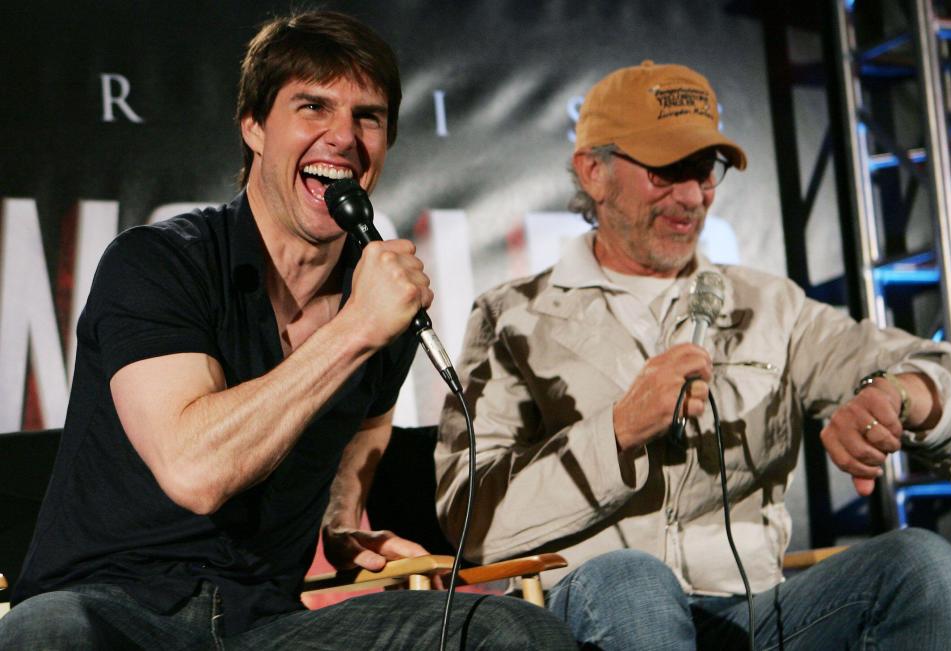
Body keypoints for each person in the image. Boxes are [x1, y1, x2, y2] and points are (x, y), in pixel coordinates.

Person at [0, 11, 576, 650]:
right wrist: (353, 328)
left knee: (508, 627)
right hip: (115, 610)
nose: (343, 138)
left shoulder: (377, 298)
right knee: (44, 631)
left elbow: (367, 423)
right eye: (313, 108)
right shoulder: (158, 263)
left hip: (266, 623)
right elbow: (195, 472)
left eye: (368, 117)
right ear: (253, 126)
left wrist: (340, 520)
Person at [434, 60, 951, 649]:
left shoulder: (768, 304)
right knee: (634, 583)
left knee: (919, 562)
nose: (691, 198)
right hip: (593, 615)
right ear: (594, 173)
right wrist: (617, 432)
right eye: (665, 171)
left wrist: (903, 395)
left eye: (704, 171)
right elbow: (468, 517)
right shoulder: (512, 317)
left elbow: (938, 373)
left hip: (756, 614)